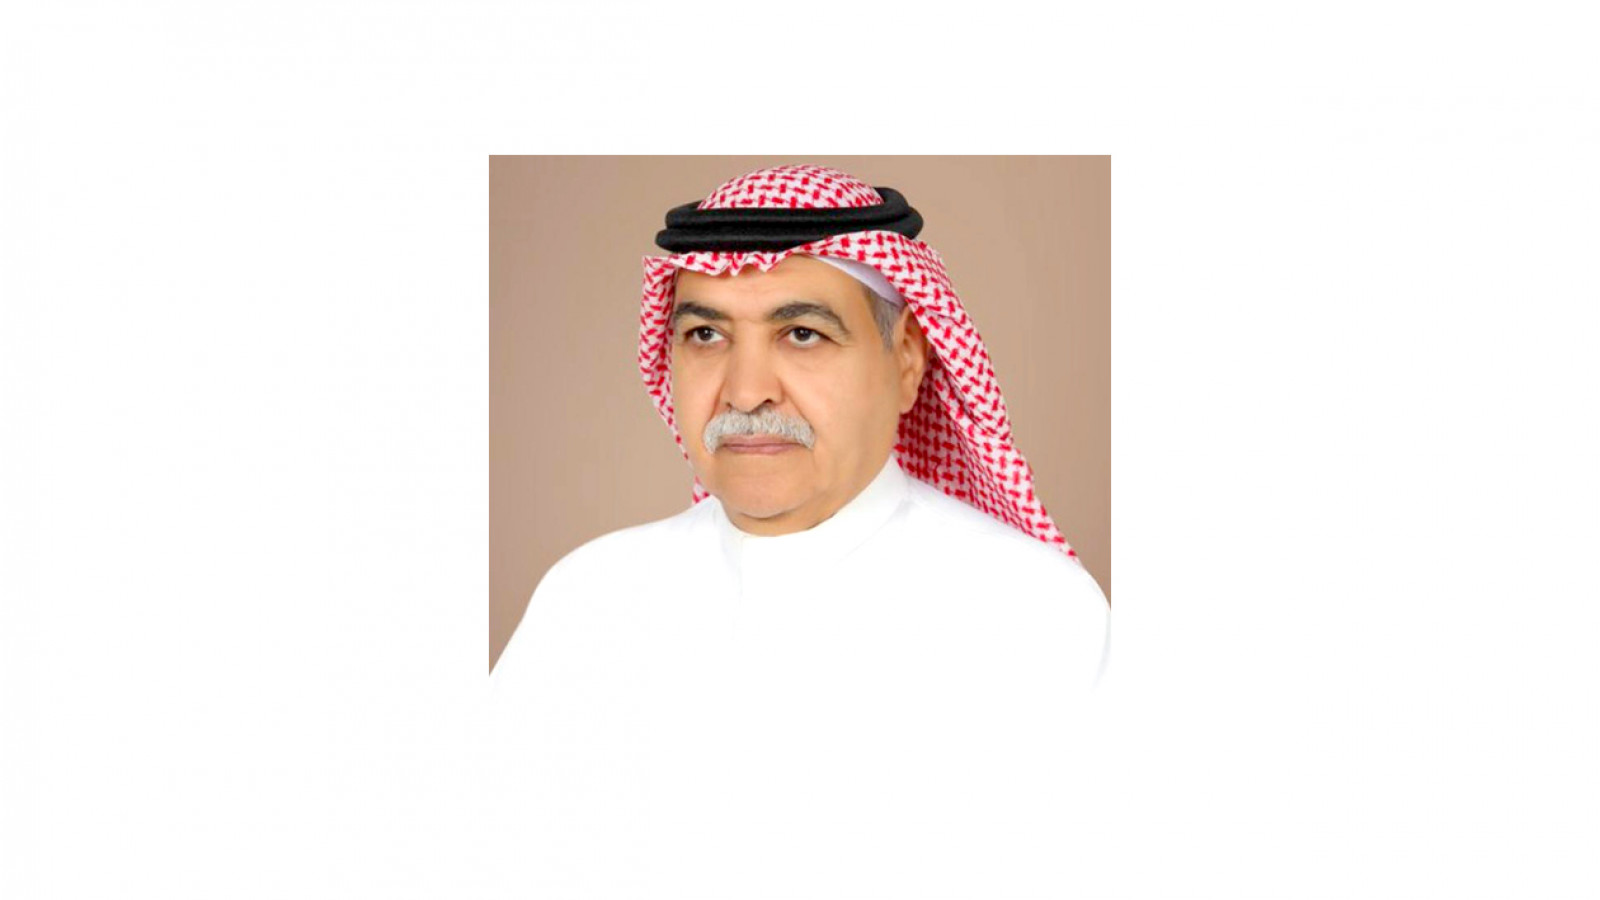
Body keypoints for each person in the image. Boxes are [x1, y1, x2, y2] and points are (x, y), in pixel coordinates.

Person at [487, 164, 1109, 897]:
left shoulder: (1034, 611)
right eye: (706, 334)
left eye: (803, 334)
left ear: (907, 362)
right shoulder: (589, 598)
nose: (747, 391)